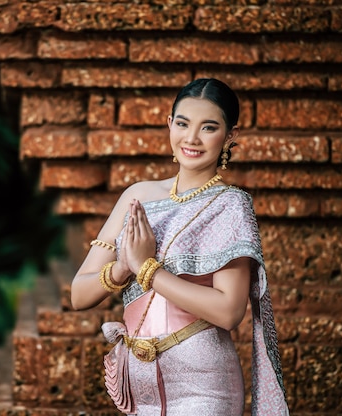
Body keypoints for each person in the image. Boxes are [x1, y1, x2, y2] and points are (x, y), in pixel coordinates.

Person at [70, 78, 289, 415]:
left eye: (209, 127)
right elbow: (79, 295)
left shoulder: (229, 205)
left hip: (203, 386)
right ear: (170, 124)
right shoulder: (136, 196)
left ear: (230, 135)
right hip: (139, 387)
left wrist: (148, 269)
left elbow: (229, 312)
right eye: (183, 123)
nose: (192, 138)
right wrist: (122, 267)